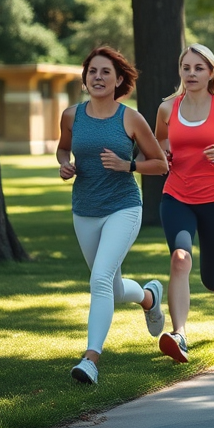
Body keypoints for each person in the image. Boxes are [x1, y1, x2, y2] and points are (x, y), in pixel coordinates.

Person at [56, 46, 169, 384]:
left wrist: (128, 165)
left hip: (123, 207)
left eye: (106, 72)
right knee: (113, 288)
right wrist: (64, 163)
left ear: (119, 79)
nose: (99, 77)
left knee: (100, 281)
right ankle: (149, 297)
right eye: (93, 71)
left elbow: (160, 164)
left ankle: (91, 358)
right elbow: (64, 146)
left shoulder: (130, 118)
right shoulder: (72, 116)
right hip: (85, 210)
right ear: (85, 78)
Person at [154, 44, 214, 364]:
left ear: (210, 73)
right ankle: (179, 335)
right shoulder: (167, 108)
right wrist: (163, 154)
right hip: (176, 196)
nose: (191, 74)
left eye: (198, 68)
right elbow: (160, 142)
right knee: (180, 258)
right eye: (186, 68)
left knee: (211, 278)